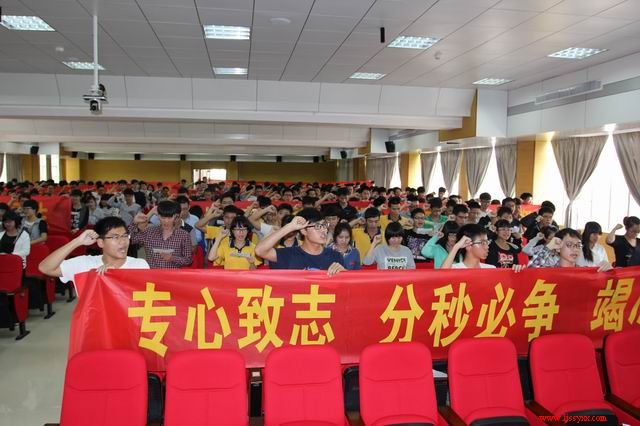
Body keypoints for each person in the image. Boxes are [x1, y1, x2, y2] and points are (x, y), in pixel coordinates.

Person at [39, 217, 149, 285]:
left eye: (125, 236)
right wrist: (77, 241)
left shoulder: (139, 265)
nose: (123, 241)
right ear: (100, 242)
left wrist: (115, 275)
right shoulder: (84, 264)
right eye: (115, 237)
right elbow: (45, 268)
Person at [255, 208, 345, 275]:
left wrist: (344, 273)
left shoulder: (336, 256)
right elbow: (260, 251)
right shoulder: (289, 255)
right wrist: (290, 226)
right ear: (303, 230)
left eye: (325, 225)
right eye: (318, 226)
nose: (324, 230)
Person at [129, 201, 193, 269]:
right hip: (152, 274)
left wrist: (172, 258)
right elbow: (129, 240)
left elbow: (188, 260)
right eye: (163, 217)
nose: (166, 221)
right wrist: (134, 223)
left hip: (172, 274)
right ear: (158, 216)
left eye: (169, 218)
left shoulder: (183, 235)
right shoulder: (148, 232)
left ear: (175, 216)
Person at [528, 228, 611, 271]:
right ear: (558, 248)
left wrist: (608, 271)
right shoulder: (550, 270)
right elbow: (531, 272)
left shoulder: (583, 271)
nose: (575, 249)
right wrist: (549, 247)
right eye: (569, 245)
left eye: (578, 245)